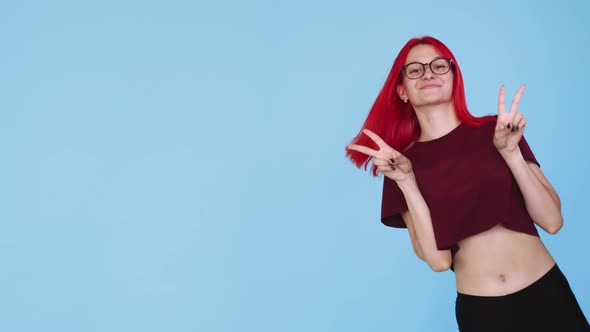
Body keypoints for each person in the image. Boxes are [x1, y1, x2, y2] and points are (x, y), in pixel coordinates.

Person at [345, 36, 589, 331]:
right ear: (402, 90)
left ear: (454, 76)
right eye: (415, 70)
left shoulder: (497, 131)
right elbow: (438, 261)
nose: (428, 73)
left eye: (438, 65)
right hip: (483, 313)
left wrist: (510, 153)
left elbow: (552, 221)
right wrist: (407, 181)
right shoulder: (399, 165)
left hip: (547, 294)